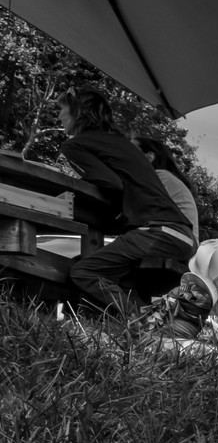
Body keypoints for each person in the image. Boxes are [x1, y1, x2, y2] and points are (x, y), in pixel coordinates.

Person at [55, 88, 196, 315]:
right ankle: (147, 324)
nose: (60, 116)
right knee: (112, 273)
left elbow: (111, 183)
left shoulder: (75, 145)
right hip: (182, 236)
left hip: (156, 232)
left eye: (62, 109)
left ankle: (140, 325)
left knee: (84, 272)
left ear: (78, 112)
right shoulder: (124, 144)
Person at [136, 138, 201, 242]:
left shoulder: (160, 176)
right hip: (179, 241)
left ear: (149, 157)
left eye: (132, 150)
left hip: (172, 239)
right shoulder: (167, 178)